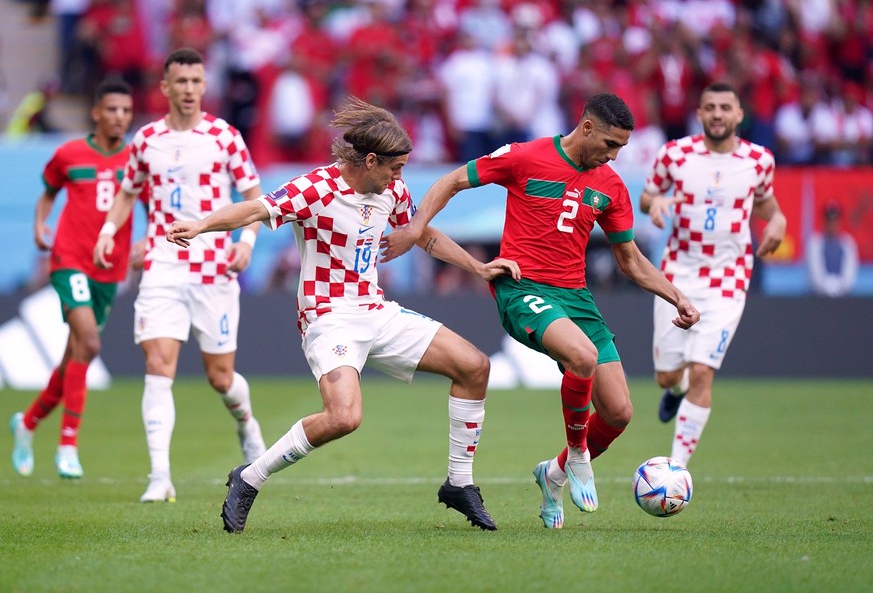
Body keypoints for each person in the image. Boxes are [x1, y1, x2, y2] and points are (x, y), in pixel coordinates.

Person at [166, 97, 521, 533]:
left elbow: (421, 235)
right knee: (344, 417)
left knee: (474, 366)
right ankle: (249, 477)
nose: (400, 177)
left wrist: (479, 267)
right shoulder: (315, 188)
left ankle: (459, 484)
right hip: (328, 316)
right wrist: (201, 225)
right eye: (394, 168)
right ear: (370, 160)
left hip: (376, 310)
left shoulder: (390, 190)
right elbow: (255, 209)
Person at [381, 93, 700, 530]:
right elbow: (452, 180)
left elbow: (630, 261)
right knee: (582, 357)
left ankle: (552, 475)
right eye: (610, 144)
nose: (614, 155)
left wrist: (675, 295)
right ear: (586, 127)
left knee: (619, 413)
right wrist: (416, 227)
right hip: (521, 288)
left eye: (621, 148)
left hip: (576, 298)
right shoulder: (524, 157)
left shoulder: (610, 185)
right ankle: (579, 457)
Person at [93, 48, 267, 503]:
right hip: (162, 264)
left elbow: (256, 199)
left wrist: (245, 244)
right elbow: (128, 192)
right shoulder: (146, 139)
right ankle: (159, 475)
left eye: (196, 81)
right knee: (158, 366)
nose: (189, 89)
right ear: (165, 87)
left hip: (214, 267)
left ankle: (247, 424)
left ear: (203, 86)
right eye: (181, 82)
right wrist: (110, 230)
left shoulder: (224, 137)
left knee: (220, 377)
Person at [639, 82, 786, 466]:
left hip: (728, 278)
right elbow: (646, 196)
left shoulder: (758, 160)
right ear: (700, 114)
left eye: (725, 107)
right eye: (710, 107)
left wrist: (779, 221)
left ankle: (675, 470)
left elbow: (769, 205)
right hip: (677, 275)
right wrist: (655, 206)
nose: (717, 114)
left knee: (704, 371)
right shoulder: (674, 154)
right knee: (667, 377)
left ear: (739, 114)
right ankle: (677, 387)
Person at [9, 79, 136, 480]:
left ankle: (26, 424)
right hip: (70, 259)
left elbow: (153, 203)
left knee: (72, 360)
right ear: (96, 113)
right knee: (90, 342)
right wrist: (40, 222)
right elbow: (48, 191)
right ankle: (68, 444)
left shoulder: (136, 160)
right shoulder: (69, 154)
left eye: (126, 111)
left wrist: (150, 240)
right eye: (112, 109)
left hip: (109, 267)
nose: (119, 117)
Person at [807, 201, 858, 297]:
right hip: (818, 298)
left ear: (840, 221)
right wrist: (827, 287)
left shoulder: (847, 243)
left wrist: (839, 287)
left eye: (835, 220)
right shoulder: (815, 242)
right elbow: (815, 276)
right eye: (829, 220)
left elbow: (849, 275)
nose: (832, 224)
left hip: (843, 297)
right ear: (824, 221)